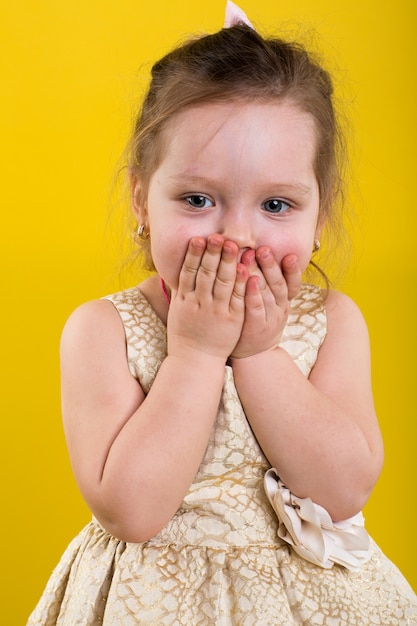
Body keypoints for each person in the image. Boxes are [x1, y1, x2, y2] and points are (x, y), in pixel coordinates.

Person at [28, 3, 417, 624]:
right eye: (198, 198)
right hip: (155, 600)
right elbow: (131, 510)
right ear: (141, 200)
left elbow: (343, 491)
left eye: (277, 204)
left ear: (321, 217)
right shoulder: (103, 330)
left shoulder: (333, 323)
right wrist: (197, 354)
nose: (237, 235)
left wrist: (259, 352)